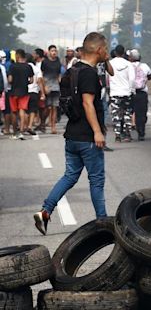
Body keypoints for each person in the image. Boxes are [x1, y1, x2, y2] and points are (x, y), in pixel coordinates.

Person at [34, 32, 109, 235]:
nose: (107, 52)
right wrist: (97, 132)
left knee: (69, 176)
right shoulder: (88, 73)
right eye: (106, 48)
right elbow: (87, 102)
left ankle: (45, 212)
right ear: (99, 50)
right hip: (87, 137)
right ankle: (103, 222)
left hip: (72, 135)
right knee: (97, 180)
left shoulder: (71, 70)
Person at [108, 44, 135, 142]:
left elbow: (107, 78)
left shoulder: (110, 63)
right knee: (127, 113)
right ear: (123, 53)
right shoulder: (128, 64)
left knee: (116, 114)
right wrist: (132, 90)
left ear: (115, 53)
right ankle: (127, 134)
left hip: (114, 92)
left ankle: (117, 135)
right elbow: (132, 79)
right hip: (126, 92)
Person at [8, 49, 34, 139]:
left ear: (17, 56)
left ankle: (15, 132)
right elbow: (31, 80)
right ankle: (22, 131)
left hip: (14, 92)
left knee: (14, 112)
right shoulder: (28, 66)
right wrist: (25, 82)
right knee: (22, 110)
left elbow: (10, 80)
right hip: (24, 92)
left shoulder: (12, 66)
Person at [129, 49, 151, 141]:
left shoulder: (128, 66)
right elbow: (150, 76)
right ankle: (141, 132)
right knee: (141, 114)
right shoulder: (145, 66)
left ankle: (125, 132)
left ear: (130, 58)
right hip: (142, 93)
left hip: (130, 92)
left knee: (128, 112)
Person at [41, 45, 62, 134]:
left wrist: (60, 82)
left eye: (55, 51)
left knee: (54, 107)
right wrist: (44, 87)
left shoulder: (58, 61)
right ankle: (42, 122)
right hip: (47, 86)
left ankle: (53, 126)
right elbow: (41, 76)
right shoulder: (45, 62)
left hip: (56, 87)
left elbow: (59, 74)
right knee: (48, 108)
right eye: (52, 51)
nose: (54, 52)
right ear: (49, 52)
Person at [26, 53, 44, 135]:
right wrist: (42, 93)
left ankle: (24, 125)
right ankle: (30, 126)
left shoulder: (23, 67)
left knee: (24, 109)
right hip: (34, 91)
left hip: (24, 91)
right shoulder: (37, 69)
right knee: (32, 110)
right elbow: (40, 81)